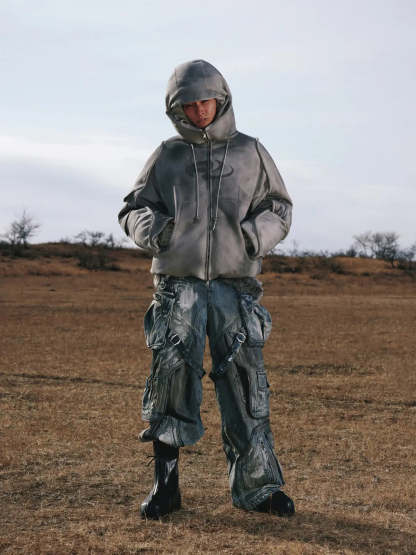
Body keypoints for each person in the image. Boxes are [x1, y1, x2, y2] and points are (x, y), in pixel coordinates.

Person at [118, 59, 294, 520]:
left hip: (236, 287)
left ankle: (258, 489)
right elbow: (133, 208)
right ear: (176, 109)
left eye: (206, 102)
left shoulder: (251, 152)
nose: (199, 111)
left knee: (245, 384)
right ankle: (166, 486)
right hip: (178, 287)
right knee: (170, 381)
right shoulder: (167, 155)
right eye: (189, 105)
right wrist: (158, 231)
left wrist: (254, 237)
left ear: (223, 99)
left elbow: (278, 207)